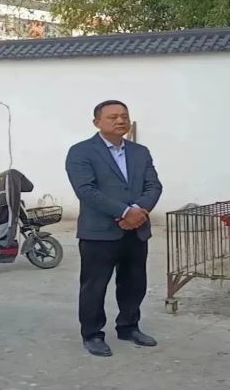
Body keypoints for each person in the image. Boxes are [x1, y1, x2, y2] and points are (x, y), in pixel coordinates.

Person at [65, 100, 163, 358]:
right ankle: (92, 334)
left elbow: (154, 185)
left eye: (124, 116)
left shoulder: (140, 152)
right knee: (94, 286)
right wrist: (124, 212)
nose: (120, 121)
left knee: (134, 282)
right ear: (97, 122)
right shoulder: (81, 152)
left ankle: (129, 327)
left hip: (136, 230)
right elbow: (86, 190)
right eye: (113, 117)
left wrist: (138, 211)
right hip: (99, 232)